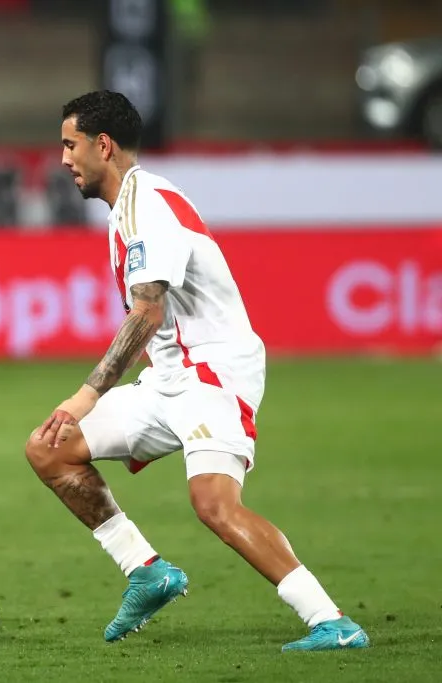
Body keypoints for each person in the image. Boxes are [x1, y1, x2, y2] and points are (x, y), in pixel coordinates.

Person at [23, 90, 369, 653]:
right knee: (49, 448)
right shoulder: (129, 205)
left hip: (212, 374)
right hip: (169, 377)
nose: (62, 158)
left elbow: (147, 309)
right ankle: (146, 571)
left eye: (70, 144)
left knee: (214, 505)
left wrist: (87, 394)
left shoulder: (146, 206)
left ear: (102, 146)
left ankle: (331, 621)